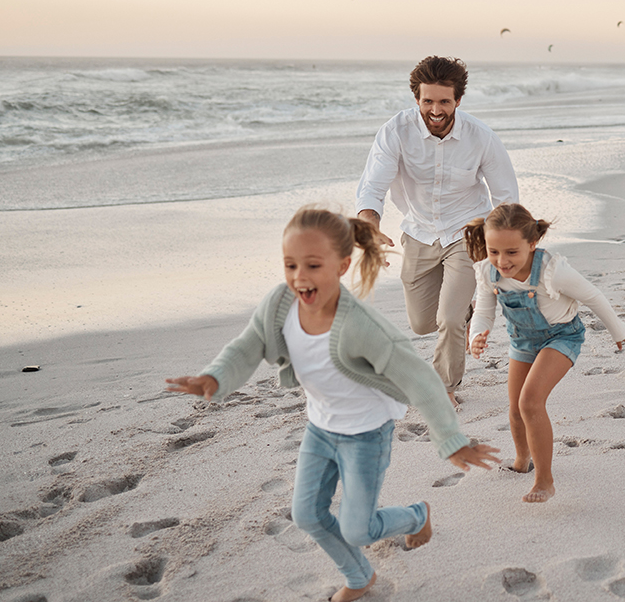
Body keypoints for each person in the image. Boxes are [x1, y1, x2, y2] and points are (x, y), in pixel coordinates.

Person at [165, 207, 500, 602]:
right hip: (320, 429)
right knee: (308, 515)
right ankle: (359, 576)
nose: (299, 277)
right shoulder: (280, 304)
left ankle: (415, 515)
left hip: (366, 435)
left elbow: (420, 378)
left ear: (342, 266)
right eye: (290, 265)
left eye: (312, 265)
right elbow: (247, 346)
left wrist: (451, 440)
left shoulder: (360, 325)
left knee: (358, 529)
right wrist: (215, 377)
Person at [355, 56, 519, 408]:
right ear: (416, 98)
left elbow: (506, 197)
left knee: (448, 318)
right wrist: (370, 224)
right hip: (419, 232)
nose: (435, 109)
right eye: (427, 101)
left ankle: (443, 385)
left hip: (468, 233)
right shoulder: (395, 131)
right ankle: (467, 312)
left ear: (458, 100)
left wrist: (507, 247)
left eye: (444, 101)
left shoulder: (481, 137)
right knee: (421, 322)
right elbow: (372, 186)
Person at [462, 204, 625, 503]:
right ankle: (522, 461)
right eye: (494, 252)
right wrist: (477, 334)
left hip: (562, 337)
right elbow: (484, 311)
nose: (502, 261)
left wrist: (619, 330)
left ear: (532, 243)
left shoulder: (553, 271)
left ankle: (545, 480)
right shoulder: (488, 272)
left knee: (530, 402)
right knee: (515, 409)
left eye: (512, 252)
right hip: (523, 341)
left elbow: (593, 296)